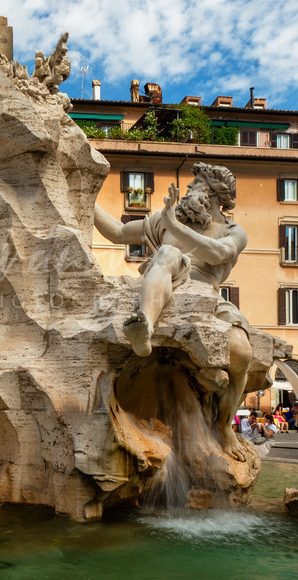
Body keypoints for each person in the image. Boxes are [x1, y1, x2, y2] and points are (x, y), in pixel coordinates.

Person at [95, 163, 256, 460]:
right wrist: (85, 200)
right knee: (168, 253)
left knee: (243, 353)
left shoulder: (232, 231)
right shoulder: (164, 220)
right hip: (165, 282)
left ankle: (223, 425)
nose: (188, 191)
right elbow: (117, 232)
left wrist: (176, 226)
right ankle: (143, 327)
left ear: (214, 195)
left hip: (206, 293)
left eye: (196, 186)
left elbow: (220, 253)